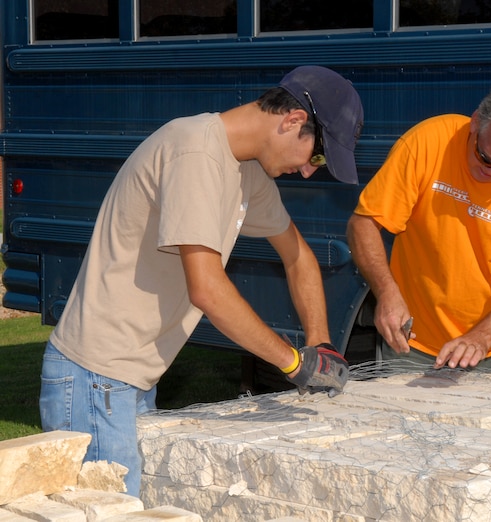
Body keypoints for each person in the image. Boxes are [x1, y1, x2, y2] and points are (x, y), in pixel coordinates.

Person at [39, 65, 363, 497]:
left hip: (128, 378)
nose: (309, 172)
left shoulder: (244, 170)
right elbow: (207, 288)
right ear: (293, 121)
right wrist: (292, 363)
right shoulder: (195, 153)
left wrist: (319, 345)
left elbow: (299, 255)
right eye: (317, 157)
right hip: (95, 379)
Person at [347, 78, 491, 375]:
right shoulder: (428, 141)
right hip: (414, 346)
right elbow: (364, 223)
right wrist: (386, 292)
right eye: (485, 158)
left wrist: (481, 338)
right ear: (475, 122)